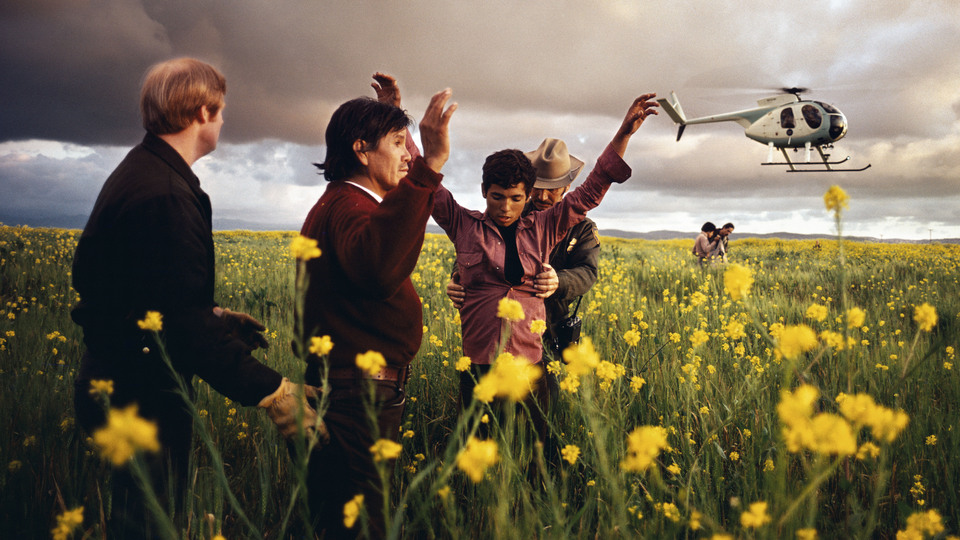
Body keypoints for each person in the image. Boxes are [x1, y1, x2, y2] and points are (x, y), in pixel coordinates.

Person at [71, 58, 317, 538]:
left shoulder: (143, 171)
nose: (224, 121)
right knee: (148, 527)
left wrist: (216, 317)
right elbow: (179, 324)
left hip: (117, 379)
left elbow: (137, 292)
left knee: (140, 522)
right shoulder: (164, 191)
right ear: (203, 111)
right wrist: (273, 392)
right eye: (221, 111)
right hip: (139, 390)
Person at [430, 94, 659, 438]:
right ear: (485, 191)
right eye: (498, 197)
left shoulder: (553, 227)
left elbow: (594, 190)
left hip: (538, 346)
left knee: (537, 446)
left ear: (563, 187)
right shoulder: (467, 227)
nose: (508, 206)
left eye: (516, 198)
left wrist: (624, 134)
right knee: (479, 445)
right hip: (479, 360)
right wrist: (456, 279)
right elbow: (429, 190)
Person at [297, 74, 455, 538]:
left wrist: (390, 119)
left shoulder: (348, 203)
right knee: (361, 528)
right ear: (361, 149)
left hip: (351, 396)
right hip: (354, 402)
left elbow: (383, 236)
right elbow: (378, 267)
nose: (410, 156)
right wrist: (431, 167)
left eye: (411, 145)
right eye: (398, 144)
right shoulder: (349, 207)